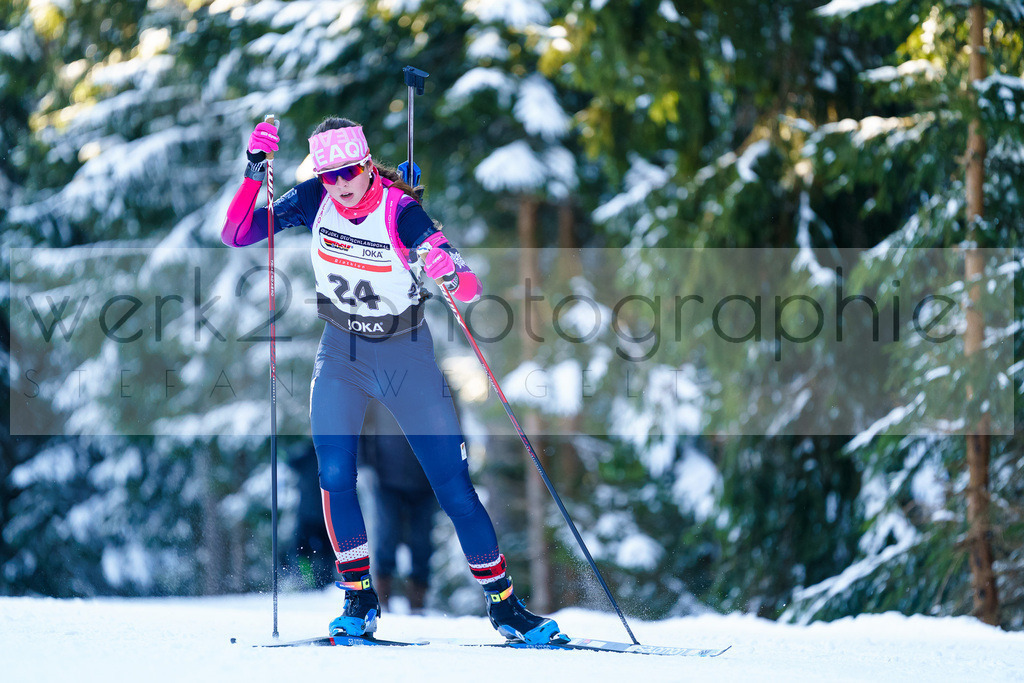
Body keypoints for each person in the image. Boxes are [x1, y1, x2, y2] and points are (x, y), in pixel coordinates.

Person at [221, 116, 564, 645]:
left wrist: (448, 266)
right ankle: (359, 598)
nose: (340, 184)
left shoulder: (400, 209)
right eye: (328, 174)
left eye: (349, 172)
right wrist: (253, 171)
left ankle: (505, 606)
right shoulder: (315, 197)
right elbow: (238, 232)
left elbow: (461, 281)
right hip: (341, 352)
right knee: (334, 474)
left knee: (451, 483)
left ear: (366, 164)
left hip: (405, 355)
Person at [359, 399, 436, 613]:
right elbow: (361, 425)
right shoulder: (377, 382)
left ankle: (418, 602)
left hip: (426, 477)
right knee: (386, 536)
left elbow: (453, 424)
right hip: (385, 478)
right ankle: (382, 599)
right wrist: (363, 464)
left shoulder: (436, 379)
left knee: (422, 541)